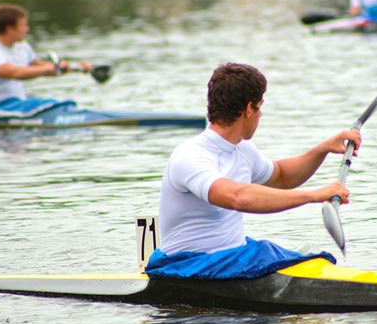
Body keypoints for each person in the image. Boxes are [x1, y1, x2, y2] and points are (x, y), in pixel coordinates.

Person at [145, 63, 362, 279]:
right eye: (260, 106)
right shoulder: (190, 156)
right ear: (249, 109)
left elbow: (283, 176)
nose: (261, 115)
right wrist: (313, 195)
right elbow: (237, 197)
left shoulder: (242, 149)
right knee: (304, 261)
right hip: (189, 265)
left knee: (315, 260)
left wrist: (323, 149)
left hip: (233, 256)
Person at [0, 3, 91, 109]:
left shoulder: (22, 47)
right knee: (51, 105)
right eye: (23, 25)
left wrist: (76, 67)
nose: (27, 29)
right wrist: (51, 67)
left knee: (59, 104)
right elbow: (16, 73)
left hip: (19, 105)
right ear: (10, 29)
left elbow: (42, 68)